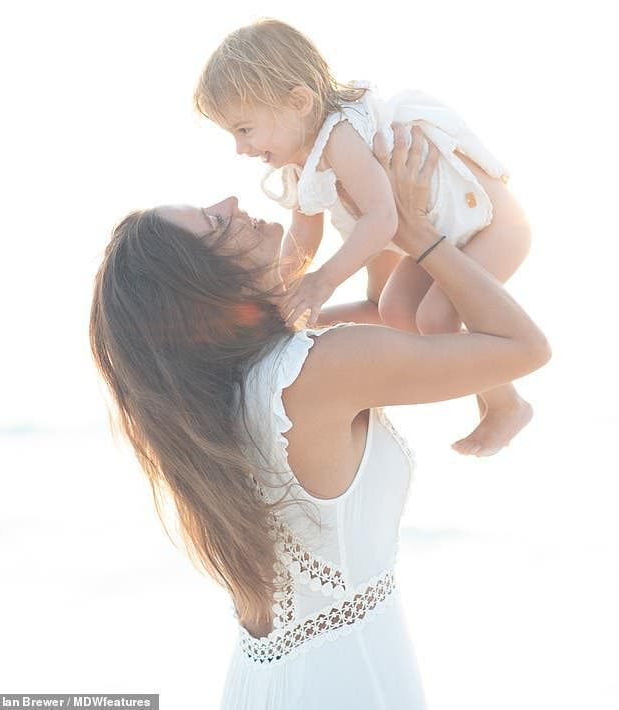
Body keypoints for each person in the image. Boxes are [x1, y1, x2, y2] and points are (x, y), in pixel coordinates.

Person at [89, 126, 550, 709]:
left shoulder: (232, 392)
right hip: (349, 679)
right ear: (203, 289)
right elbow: (523, 348)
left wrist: (370, 209)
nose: (231, 203)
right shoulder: (319, 366)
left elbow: (391, 316)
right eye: (215, 222)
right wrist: (423, 235)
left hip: (263, 680)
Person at [194, 18, 534, 458]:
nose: (240, 147)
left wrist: (324, 281)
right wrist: (277, 295)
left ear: (298, 102)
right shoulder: (303, 161)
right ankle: (502, 401)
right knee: (394, 309)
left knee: (434, 319)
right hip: (445, 234)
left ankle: (507, 405)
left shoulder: (339, 134)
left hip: (491, 223)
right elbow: (304, 232)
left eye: (244, 129)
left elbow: (382, 220)